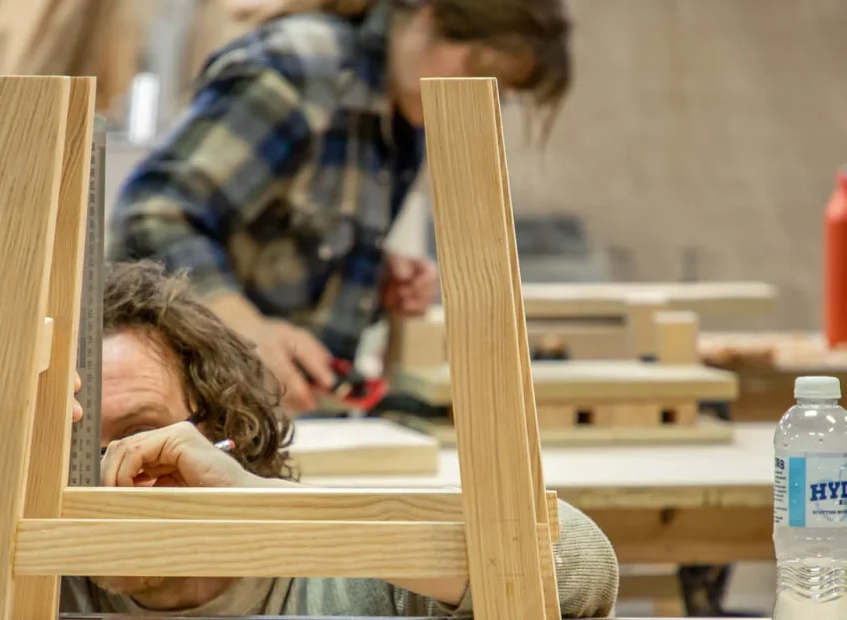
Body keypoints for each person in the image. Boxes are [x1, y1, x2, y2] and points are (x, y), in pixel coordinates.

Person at [0, 261, 616, 618]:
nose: (109, 476)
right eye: (79, 446)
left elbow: (582, 565)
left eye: (140, 437)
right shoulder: (44, 586)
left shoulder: (336, 581)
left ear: (223, 437)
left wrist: (267, 515)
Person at [109, 0, 571, 411]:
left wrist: (371, 276)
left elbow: (286, 229)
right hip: (193, 408)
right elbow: (154, 211)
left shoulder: (403, 111)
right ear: (428, 14)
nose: (477, 93)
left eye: (499, 91)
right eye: (477, 68)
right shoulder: (304, 68)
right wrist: (247, 330)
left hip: (287, 416)